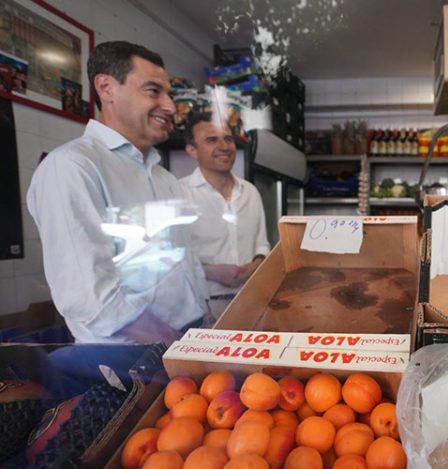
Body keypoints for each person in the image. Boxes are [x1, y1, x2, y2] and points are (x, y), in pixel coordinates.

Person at [27, 41, 209, 343]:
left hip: (183, 343)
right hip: (130, 360)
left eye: (170, 94)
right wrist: (174, 344)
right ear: (106, 88)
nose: (169, 106)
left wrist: (204, 326)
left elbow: (183, 263)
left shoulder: (163, 178)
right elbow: (90, 295)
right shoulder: (72, 168)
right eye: (153, 91)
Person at [180, 112, 270, 318]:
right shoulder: (179, 193)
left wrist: (255, 266)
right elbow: (170, 260)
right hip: (202, 309)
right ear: (192, 150)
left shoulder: (250, 192)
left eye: (228, 139)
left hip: (252, 303)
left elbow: (262, 245)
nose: (224, 146)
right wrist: (211, 272)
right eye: (212, 140)